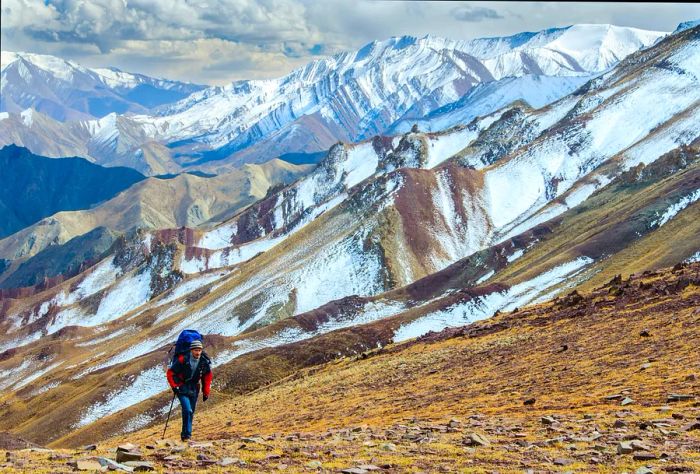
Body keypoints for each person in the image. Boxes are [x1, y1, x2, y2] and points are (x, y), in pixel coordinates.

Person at [166, 339, 212, 441]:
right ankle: (187, 435)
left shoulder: (204, 362)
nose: (198, 352)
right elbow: (170, 373)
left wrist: (206, 392)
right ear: (191, 350)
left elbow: (207, 377)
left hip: (194, 389)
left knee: (190, 412)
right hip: (182, 387)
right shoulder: (183, 359)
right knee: (187, 410)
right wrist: (175, 386)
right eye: (196, 350)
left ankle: (185, 435)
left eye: (199, 350)